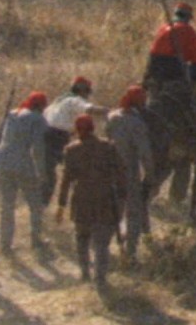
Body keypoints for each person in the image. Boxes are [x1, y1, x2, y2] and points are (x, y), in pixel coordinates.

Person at [56, 113, 127, 289]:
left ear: (77, 130)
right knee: (101, 242)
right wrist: (121, 199)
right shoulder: (108, 147)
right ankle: (100, 279)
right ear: (93, 128)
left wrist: (61, 205)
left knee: (82, 238)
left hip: (81, 200)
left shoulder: (71, 150)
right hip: (105, 199)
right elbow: (121, 174)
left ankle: (85, 273)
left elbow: (66, 181)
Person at [0, 90, 50, 258]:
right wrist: (41, 171)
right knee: (35, 203)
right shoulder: (37, 119)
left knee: (7, 205)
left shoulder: (12, 113)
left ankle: (5, 243)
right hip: (22, 161)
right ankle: (36, 239)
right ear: (41, 106)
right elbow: (38, 147)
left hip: (1, 160)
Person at [147, 2, 196, 118]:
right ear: (188, 17)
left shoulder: (163, 28)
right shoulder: (187, 29)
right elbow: (195, 57)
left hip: (154, 69)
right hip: (174, 69)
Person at [43, 76, 108, 208]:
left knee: (48, 175)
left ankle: (41, 207)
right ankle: (84, 203)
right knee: (79, 171)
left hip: (45, 136)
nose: (88, 95)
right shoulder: (75, 100)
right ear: (82, 90)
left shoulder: (57, 101)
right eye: (88, 92)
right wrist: (112, 112)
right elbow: (90, 109)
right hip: (58, 138)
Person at [106, 85, 152, 264]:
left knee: (113, 211)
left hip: (111, 170)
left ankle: (103, 249)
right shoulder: (137, 123)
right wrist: (150, 174)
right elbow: (144, 152)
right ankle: (130, 253)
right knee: (133, 212)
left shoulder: (112, 117)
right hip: (129, 172)